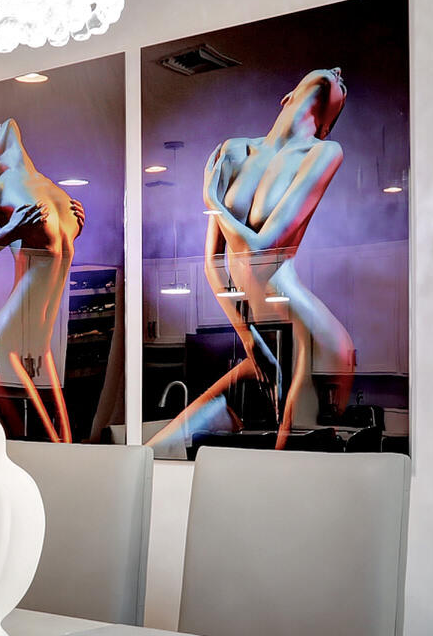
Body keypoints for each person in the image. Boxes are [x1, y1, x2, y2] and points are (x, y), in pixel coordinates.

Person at [148, 67, 356, 449]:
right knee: (157, 452)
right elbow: (212, 265)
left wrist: (213, 202)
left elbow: (262, 248)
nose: (339, 73)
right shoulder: (232, 151)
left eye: (342, 83)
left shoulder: (324, 152)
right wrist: (249, 340)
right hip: (261, 340)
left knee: (283, 481)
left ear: (327, 126)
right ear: (286, 97)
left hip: (310, 339)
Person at [0, 119, 84, 442]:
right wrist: (10, 230)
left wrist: (78, 226)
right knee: (42, 446)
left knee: (66, 446)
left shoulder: (55, 190)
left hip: (41, 347)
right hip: (4, 341)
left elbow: (53, 254)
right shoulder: (0, 187)